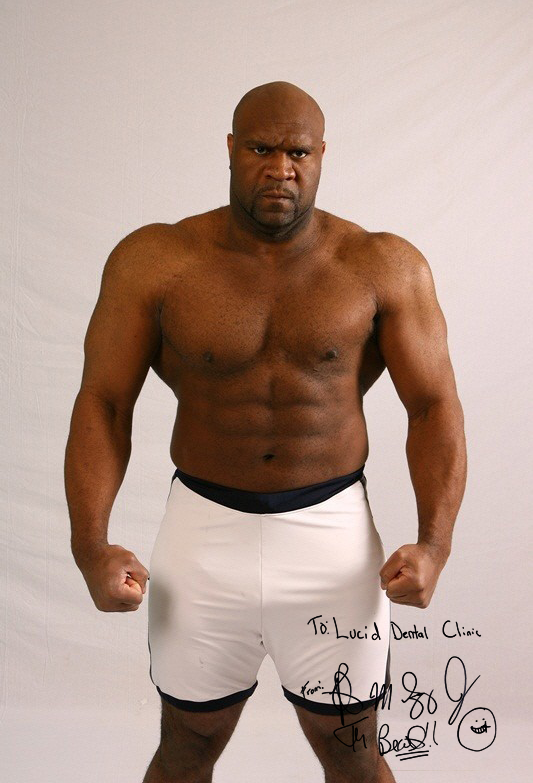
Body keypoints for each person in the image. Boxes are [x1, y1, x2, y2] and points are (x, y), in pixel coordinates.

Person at [65, 80, 467, 783]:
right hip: (203, 534)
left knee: (352, 751)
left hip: (332, 540)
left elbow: (433, 405)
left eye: (297, 152)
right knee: (186, 745)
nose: (280, 168)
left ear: (321, 155)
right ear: (229, 149)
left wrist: (434, 544)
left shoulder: (381, 264)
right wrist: (90, 546)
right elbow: (104, 402)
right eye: (260, 149)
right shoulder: (157, 259)